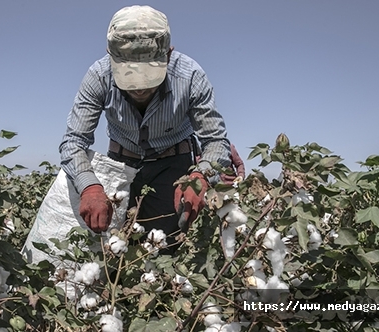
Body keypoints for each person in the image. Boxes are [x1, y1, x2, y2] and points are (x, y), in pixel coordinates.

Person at [59, 5, 244, 251]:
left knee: (164, 249)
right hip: (120, 164)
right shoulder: (98, 76)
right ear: (111, 56)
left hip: (173, 168)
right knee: (110, 250)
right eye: (129, 77)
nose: (139, 89)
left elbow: (216, 141)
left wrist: (200, 177)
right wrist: (89, 186)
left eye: (148, 77)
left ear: (168, 55)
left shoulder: (190, 77)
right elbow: (73, 141)